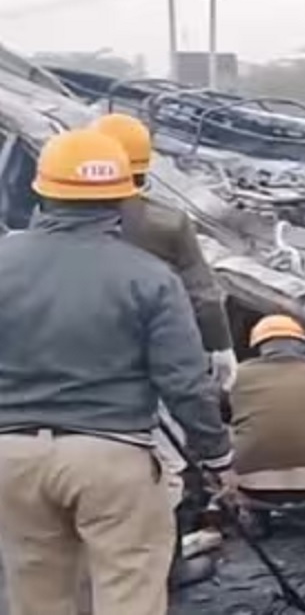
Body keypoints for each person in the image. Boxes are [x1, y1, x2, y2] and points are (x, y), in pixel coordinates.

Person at [0, 129, 233, 615]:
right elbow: (185, 383)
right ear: (123, 198)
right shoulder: (150, 276)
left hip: (12, 457)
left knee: (36, 595)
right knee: (129, 591)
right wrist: (217, 455)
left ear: (42, 191)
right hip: (113, 456)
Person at [90, 112, 237, 588]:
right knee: (167, 471)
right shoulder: (166, 223)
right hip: (151, 376)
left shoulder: (40, 231)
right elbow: (204, 295)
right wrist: (221, 347)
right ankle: (165, 569)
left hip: (67, 386)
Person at [231, 315, 305, 506]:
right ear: (302, 344)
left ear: (259, 347)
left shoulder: (238, 374)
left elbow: (216, 410)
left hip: (253, 483)